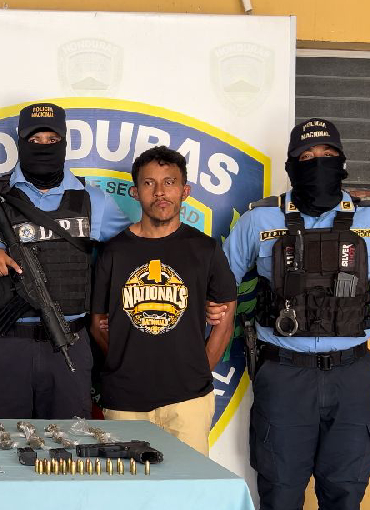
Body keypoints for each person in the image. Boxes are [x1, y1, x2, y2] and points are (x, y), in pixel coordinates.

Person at [223, 118, 370, 509]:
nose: (318, 162)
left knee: (346, 492)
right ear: (292, 165)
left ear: (342, 161)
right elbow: (219, 287)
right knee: (280, 492)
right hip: (283, 375)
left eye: (327, 154)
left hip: (351, 375)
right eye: (307, 156)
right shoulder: (259, 220)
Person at [0, 103, 132, 419]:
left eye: (51, 140)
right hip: (5, 344)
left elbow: (132, 253)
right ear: (20, 142)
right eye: (35, 140)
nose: (43, 146)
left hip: (69, 341)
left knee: (70, 442)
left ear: (64, 142)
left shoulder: (93, 200)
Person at [89, 146, 237, 455]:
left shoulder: (205, 249)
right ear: (135, 192)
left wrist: (196, 373)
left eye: (169, 182)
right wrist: (125, 362)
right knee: (127, 485)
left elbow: (225, 320)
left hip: (188, 403)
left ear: (185, 191)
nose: (160, 192)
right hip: (125, 401)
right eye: (149, 183)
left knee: (190, 484)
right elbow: (98, 324)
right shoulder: (114, 252)